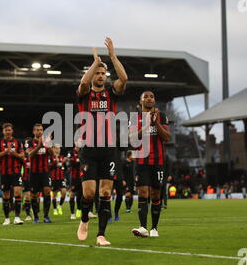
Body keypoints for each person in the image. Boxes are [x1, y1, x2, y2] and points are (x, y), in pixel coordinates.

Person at [76, 37, 128, 246]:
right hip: (89, 148)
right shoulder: (85, 93)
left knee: (105, 193)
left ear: (106, 76)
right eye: (97, 72)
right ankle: (84, 219)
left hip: (109, 149)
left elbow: (124, 79)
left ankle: (101, 235)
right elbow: (83, 83)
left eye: (102, 73)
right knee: (88, 194)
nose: (99, 75)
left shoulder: (111, 93)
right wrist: (95, 62)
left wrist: (112, 57)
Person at [130, 91, 171, 238]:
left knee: (155, 194)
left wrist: (156, 123)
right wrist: (147, 125)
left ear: (154, 100)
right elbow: (132, 139)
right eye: (145, 97)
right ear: (140, 101)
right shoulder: (135, 118)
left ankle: (154, 228)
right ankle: (142, 227)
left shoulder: (163, 116)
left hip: (158, 162)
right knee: (142, 193)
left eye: (151, 96)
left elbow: (166, 137)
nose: (149, 98)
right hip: (141, 162)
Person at [0, 123, 25, 225]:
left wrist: (13, 153)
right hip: (4, 172)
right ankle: (6, 218)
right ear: (3, 131)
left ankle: (17, 217)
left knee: (18, 193)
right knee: (6, 195)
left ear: (12, 131)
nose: (8, 132)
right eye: (6, 130)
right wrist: (6, 151)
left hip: (16, 172)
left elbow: (22, 156)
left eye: (9, 130)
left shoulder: (18, 142)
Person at [25, 123, 53, 223]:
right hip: (33, 172)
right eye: (37, 130)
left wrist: (48, 146)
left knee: (47, 191)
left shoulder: (47, 141)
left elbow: (52, 154)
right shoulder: (29, 141)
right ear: (33, 131)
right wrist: (39, 146)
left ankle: (46, 216)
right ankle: (36, 216)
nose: (39, 131)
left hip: (45, 171)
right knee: (34, 194)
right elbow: (29, 155)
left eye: (41, 130)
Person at [50, 144, 67, 216]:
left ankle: (59, 206)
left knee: (64, 192)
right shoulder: (50, 157)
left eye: (59, 148)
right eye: (57, 148)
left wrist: (65, 163)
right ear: (53, 149)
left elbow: (65, 168)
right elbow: (49, 167)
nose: (58, 150)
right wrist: (55, 162)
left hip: (61, 178)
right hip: (53, 178)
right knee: (54, 194)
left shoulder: (62, 157)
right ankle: (54, 209)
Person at [67, 146, 81, 220]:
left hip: (81, 177)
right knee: (72, 195)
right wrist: (78, 161)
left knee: (80, 195)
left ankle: (79, 209)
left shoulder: (82, 152)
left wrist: (78, 161)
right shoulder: (71, 152)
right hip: (73, 177)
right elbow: (70, 163)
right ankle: (72, 213)